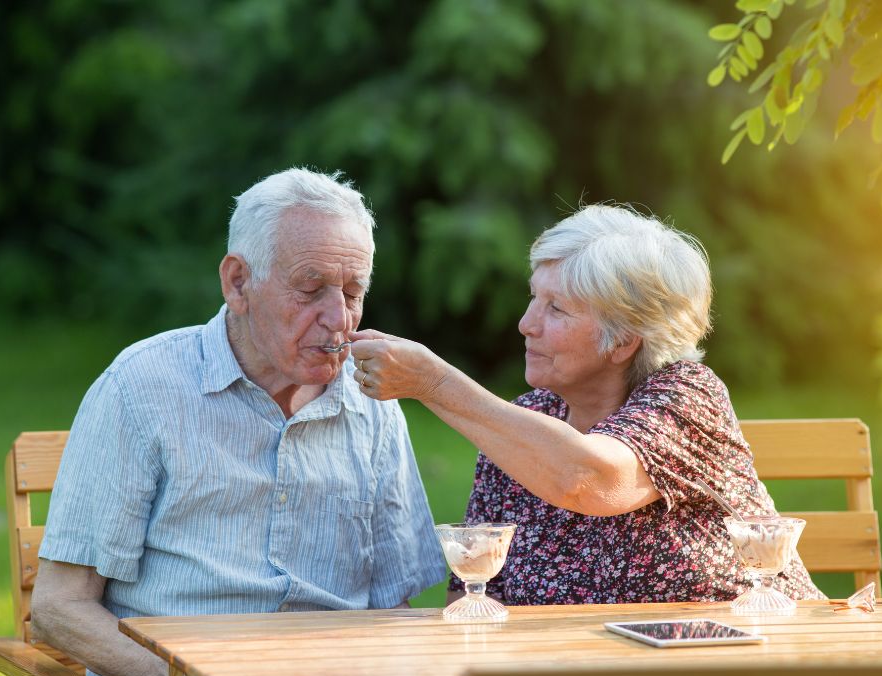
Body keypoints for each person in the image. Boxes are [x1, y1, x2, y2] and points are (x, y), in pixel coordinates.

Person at [33, 168, 445, 676]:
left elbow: (395, 607)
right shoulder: (142, 387)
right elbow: (59, 608)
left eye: (353, 292)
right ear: (238, 282)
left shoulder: (374, 406)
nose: (339, 318)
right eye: (311, 288)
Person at [348, 204, 825, 606]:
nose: (525, 324)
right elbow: (472, 600)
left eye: (556, 309)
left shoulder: (688, 396)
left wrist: (433, 382)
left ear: (623, 342)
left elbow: (589, 479)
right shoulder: (525, 422)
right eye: (534, 298)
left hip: (738, 660)